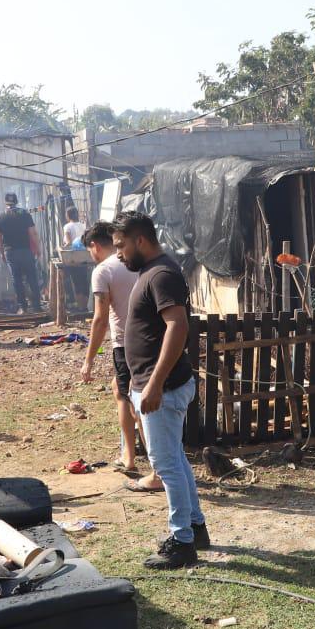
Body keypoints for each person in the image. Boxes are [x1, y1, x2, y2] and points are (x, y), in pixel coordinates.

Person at [111, 211, 209, 569]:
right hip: (157, 385)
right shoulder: (151, 272)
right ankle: (195, 528)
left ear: (141, 240)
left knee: (165, 464)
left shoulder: (162, 274)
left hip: (162, 387)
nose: (118, 254)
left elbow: (177, 327)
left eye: (121, 246)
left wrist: (153, 384)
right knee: (176, 460)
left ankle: (182, 542)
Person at [79, 221, 147, 482]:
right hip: (149, 339)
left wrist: (89, 360)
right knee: (123, 389)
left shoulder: (103, 270)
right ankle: (136, 455)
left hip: (124, 342)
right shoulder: (140, 262)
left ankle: (133, 457)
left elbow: (99, 318)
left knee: (129, 398)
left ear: (95, 245)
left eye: (90, 250)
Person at [0, 192, 42, 314]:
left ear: (5, 203)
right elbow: (33, 233)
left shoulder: (0, 217)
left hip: (10, 252)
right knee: (32, 277)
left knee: (17, 279)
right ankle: (37, 306)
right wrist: (37, 248)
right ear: (16, 201)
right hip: (26, 250)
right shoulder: (25, 213)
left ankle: (23, 307)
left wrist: (1, 253)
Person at [61, 206, 90, 312]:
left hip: (74, 257)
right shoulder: (83, 225)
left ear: (68, 216)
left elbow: (68, 242)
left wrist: (61, 248)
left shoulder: (67, 226)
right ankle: (85, 306)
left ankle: (80, 306)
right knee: (84, 281)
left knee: (76, 282)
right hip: (84, 256)